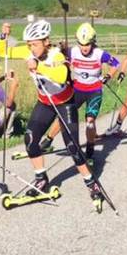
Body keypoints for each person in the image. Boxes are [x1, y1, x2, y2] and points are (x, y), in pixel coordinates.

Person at [0, 20, 104, 205]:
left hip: (65, 103)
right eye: (29, 44)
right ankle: (41, 178)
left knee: (72, 147)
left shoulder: (56, 55)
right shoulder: (28, 52)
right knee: (30, 139)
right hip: (45, 103)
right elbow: (3, 52)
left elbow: (61, 76)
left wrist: (38, 67)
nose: (31, 48)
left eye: (35, 44)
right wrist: (3, 35)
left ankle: (91, 183)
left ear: (46, 42)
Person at [37, 23, 119, 162]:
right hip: (77, 89)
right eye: (81, 44)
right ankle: (48, 140)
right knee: (64, 116)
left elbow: (116, 64)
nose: (84, 48)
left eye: (87, 44)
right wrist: (61, 48)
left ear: (92, 43)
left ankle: (90, 147)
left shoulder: (99, 54)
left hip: (94, 91)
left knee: (90, 121)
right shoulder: (73, 51)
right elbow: (56, 54)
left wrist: (108, 76)